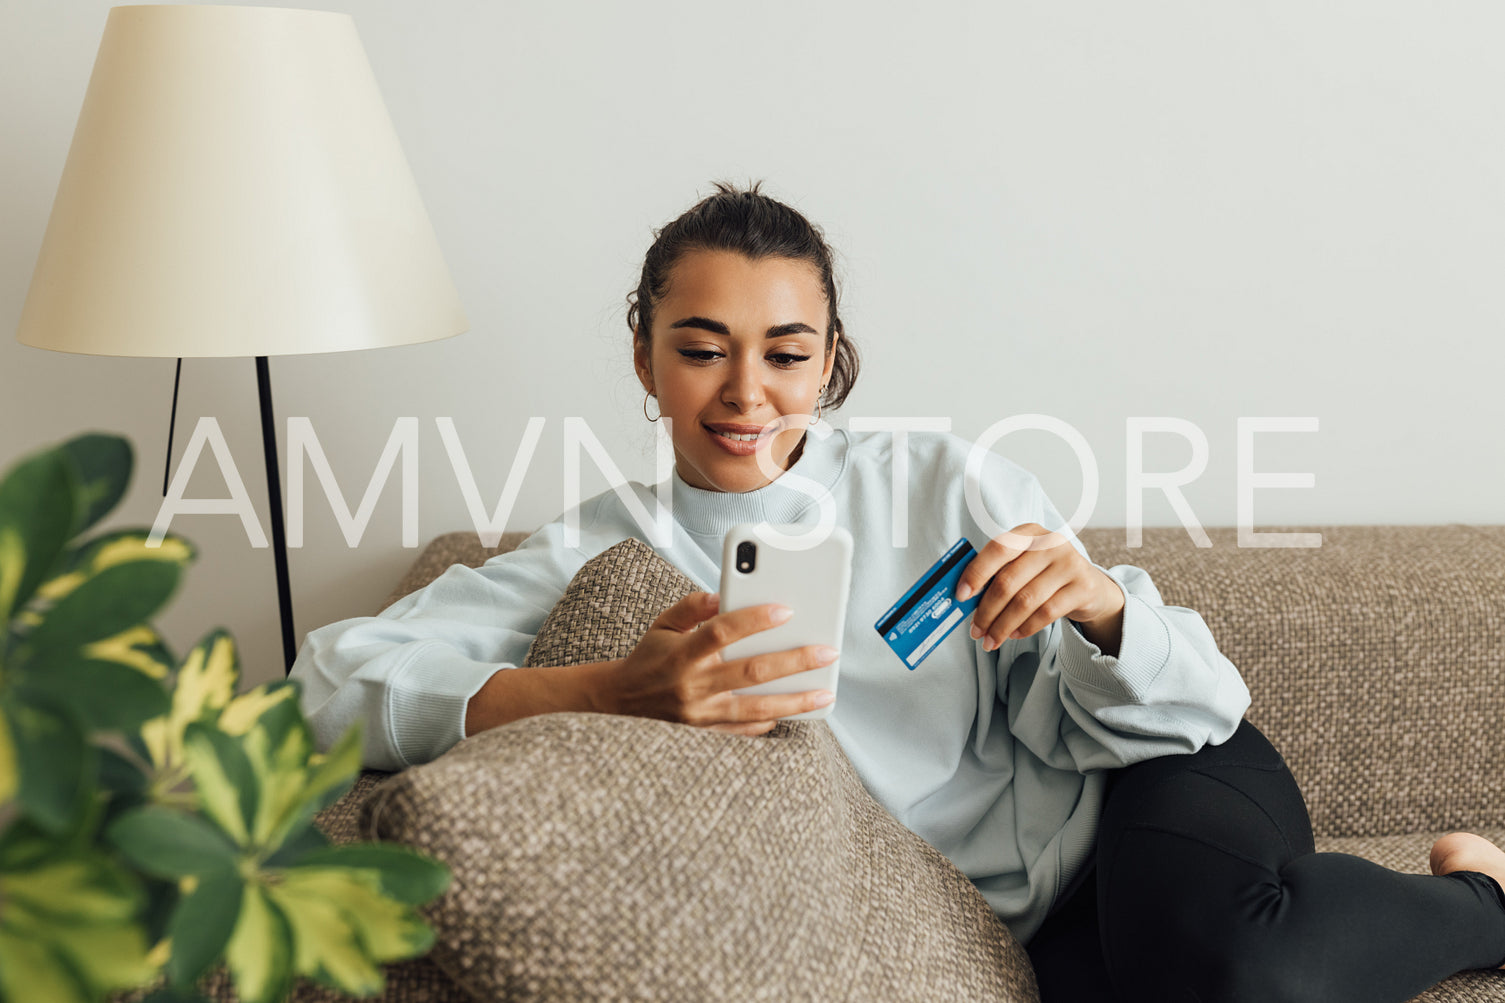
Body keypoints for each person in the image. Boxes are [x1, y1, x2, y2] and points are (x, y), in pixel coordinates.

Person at [290, 180, 1505, 1002]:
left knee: (1241, 964)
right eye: (702, 346)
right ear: (644, 357)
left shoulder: (935, 476)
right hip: (1011, 926)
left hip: (1145, 773)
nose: (743, 392)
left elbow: (1196, 694)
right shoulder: (598, 552)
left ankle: (1477, 893)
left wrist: (1096, 605)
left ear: (832, 359)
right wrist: (607, 686)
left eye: (785, 352)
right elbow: (323, 685)